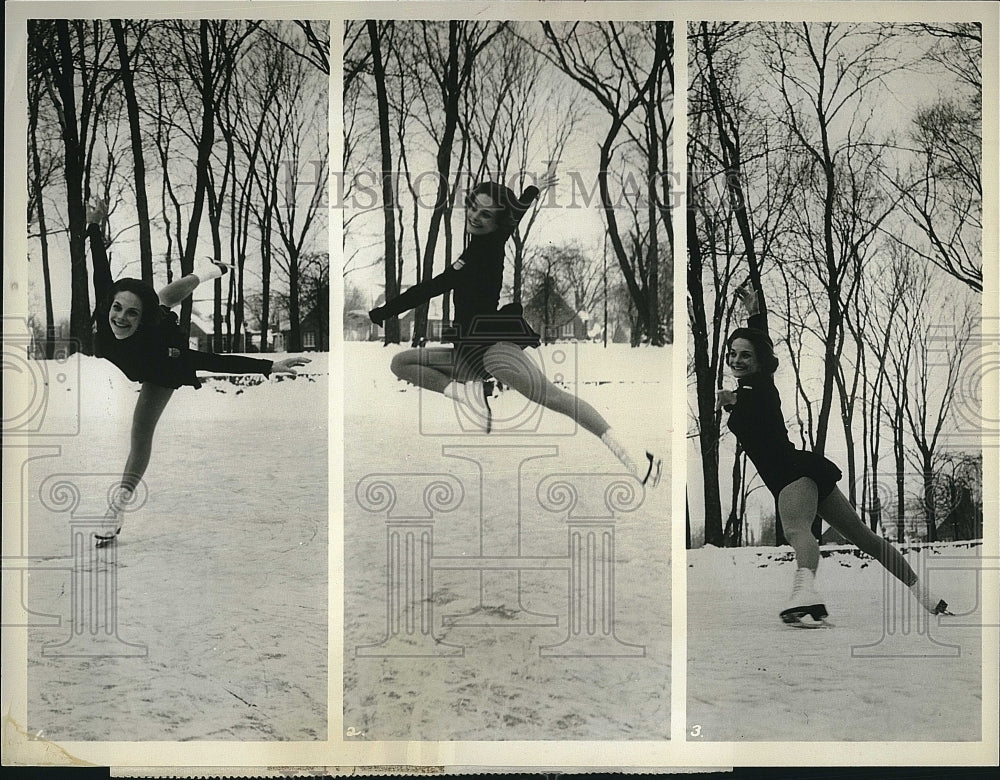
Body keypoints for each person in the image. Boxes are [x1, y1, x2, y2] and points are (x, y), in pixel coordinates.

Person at [362, 174, 661, 486]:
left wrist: (530, 194)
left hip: (493, 350)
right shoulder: (470, 253)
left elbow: (510, 218)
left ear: (497, 223)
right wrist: (386, 312)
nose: (476, 217)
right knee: (401, 363)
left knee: (553, 397)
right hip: (467, 355)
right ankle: (467, 390)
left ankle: (636, 461)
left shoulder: (490, 246)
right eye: (474, 209)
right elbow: (429, 288)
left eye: (486, 214)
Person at [716, 284, 949, 626]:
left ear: (760, 362)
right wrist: (755, 313)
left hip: (790, 477)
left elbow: (753, 399)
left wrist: (732, 402)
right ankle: (926, 597)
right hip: (805, 471)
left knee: (798, 532)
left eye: (745, 355)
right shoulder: (757, 382)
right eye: (733, 353)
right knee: (863, 537)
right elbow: (760, 349)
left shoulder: (756, 388)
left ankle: (805, 593)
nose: (737, 359)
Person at [86, 199, 310, 544]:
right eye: (117, 308)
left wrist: (269, 365)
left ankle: (118, 505)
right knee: (161, 296)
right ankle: (208, 270)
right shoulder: (109, 309)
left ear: (142, 320)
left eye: (131, 313)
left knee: (140, 434)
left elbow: (212, 361)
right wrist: (95, 227)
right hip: (148, 330)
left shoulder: (160, 347)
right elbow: (101, 271)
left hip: (156, 364)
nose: (120, 318)